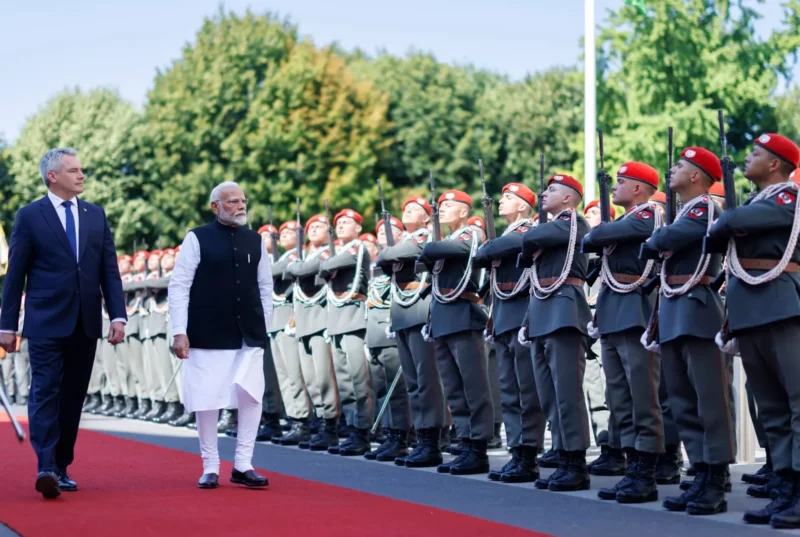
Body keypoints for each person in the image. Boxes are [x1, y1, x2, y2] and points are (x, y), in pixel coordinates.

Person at [0, 147, 126, 499]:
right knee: (44, 392)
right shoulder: (29, 216)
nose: (82, 175)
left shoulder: (96, 216)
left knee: (72, 396)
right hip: (43, 322)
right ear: (52, 176)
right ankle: (45, 466)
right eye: (74, 170)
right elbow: (16, 276)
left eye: (82, 169)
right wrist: (6, 325)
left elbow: (109, 270)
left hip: (85, 322)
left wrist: (117, 315)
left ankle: (62, 464)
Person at [707, 133, 800, 528]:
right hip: (751, 309)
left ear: (776, 163)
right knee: (773, 409)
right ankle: (784, 489)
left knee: (796, 404)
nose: (748, 158)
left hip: (781, 305)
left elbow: (730, 222)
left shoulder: (787, 197)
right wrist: (728, 226)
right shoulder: (758, 200)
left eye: (757, 153)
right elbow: (716, 238)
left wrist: (729, 223)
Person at [642, 147, 735, 516]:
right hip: (676, 308)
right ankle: (699, 469)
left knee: (710, 401)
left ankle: (716, 476)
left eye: (680, 165)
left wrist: (654, 242)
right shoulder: (683, 212)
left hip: (697, 308)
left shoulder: (705, 208)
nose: (672, 170)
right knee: (682, 400)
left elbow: (662, 241)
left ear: (696, 175)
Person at [168, 181, 271, 489]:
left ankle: (243, 464)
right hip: (207, 331)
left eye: (243, 201)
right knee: (207, 398)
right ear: (215, 206)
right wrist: (179, 331)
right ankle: (210, 465)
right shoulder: (197, 238)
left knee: (251, 394)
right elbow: (179, 285)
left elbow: (265, 287)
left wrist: (264, 325)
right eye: (232, 201)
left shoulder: (255, 240)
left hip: (248, 333)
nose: (240, 206)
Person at [582, 162, 664, 504]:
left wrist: (602, 230)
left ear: (638, 188)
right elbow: (592, 240)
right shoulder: (623, 222)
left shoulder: (648, 216)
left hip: (635, 312)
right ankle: (631, 466)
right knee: (619, 399)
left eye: (621, 182)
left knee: (642, 396)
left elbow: (596, 236)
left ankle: (646, 471)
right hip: (614, 312)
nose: (615, 187)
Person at [520, 174, 592, 492]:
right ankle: (563, 455)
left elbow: (528, 240)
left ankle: (575, 462)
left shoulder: (574, 223)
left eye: (551, 190)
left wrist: (530, 239)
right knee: (550, 397)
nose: (543, 193)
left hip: (564, 311)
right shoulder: (549, 230)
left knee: (567, 395)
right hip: (542, 312)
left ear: (568, 198)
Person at [473, 182, 545, 483]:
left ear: (523, 207)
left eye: (508, 198)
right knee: (509, 390)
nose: (502, 202)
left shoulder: (525, 231)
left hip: (522, 315)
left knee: (526, 390)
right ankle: (517, 450)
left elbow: (492, 250)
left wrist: (487, 250)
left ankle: (529, 453)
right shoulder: (506, 233)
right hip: (503, 317)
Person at [419, 190, 493, 476]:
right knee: (454, 389)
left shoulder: (470, 234)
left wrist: (430, 246)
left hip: (463, 314)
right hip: (442, 316)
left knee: (473, 387)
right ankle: (464, 441)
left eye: (449, 206)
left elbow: (434, 252)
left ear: (464, 211)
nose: (442, 210)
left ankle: (479, 447)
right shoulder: (447, 239)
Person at [376, 196, 448, 468]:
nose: (407, 211)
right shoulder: (406, 239)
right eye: (404, 208)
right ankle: (420, 436)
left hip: (420, 307)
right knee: (413, 381)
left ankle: (431, 439)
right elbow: (385, 257)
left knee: (426, 378)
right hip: (403, 310)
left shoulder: (427, 237)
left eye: (415, 209)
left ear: (428, 217)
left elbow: (391, 255)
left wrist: (389, 252)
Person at [318, 208, 374, 456]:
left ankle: (362, 432)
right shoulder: (338, 251)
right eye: (338, 222)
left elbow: (328, 266)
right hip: (337, 321)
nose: (340, 226)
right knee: (344, 383)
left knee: (358, 381)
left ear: (359, 228)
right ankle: (352, 429)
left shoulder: (356, 248)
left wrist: (324, 265)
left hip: (353, 318)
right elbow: (321, 275)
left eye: (346, 222)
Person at [365, 216, 412, 462]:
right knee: (382, 388)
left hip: (389, 326)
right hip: (374, 329)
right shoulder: (379, 259)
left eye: (390, 229)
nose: (384, 233)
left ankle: (400, 437)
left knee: (397, 390)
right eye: (380, 230)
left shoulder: (397, 258)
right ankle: (390, 434)